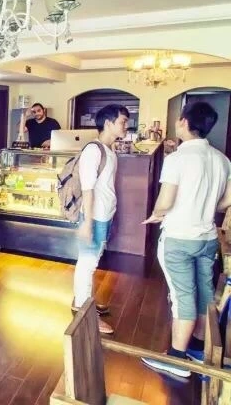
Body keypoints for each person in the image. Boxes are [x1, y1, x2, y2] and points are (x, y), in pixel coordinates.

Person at [141, 102, 231, 378]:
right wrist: (206, 205)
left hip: (179, 238)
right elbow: (226, 201)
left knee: (182, 297)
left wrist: (156, 214)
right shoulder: (222, 159)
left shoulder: (177, 158)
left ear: (184, 122)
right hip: (207, 238)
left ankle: (177, 359)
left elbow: (165, 201)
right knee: (204, 292)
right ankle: (198, 348)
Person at [72, 104, 129, 335]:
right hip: (94, 216)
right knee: (87, 264)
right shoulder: (94, 151)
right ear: (108, 123)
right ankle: (84, 312)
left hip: (103, 214)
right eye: (122, 121)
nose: (126, 125)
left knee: (91, 261)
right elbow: (88, 188)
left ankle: (84, 302)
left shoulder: (109, 149)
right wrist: (87, 222)